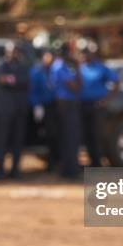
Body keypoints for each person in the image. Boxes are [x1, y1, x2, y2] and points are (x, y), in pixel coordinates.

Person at [78, 47, 119, 167]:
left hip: (97, 106)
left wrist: (106, 100)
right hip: (82, 106)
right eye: (83, 54)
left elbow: (116, 82)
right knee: (85, 135)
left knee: (96, 134)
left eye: (87, 54)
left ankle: (98, 162)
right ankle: (90, 161)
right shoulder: (80, 67)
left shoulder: (100, 67)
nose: (85, 56)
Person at [0, 41, 30, 179]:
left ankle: (15, 170)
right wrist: (14, 80)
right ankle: (0, 171)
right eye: (10, 51)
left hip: (19, 109)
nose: (12, 53)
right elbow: (1, 79)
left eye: (15, 51)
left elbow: (25, 81)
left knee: (17, 141)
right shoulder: (0, 63)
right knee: (2, 140)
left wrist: (11, 80)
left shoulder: (23, 66)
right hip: (5, 109)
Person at [50, 44, 82, 179]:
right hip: (65, 104)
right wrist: (78, 66)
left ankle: (70, 168)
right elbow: (75, 86)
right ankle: (68, 170)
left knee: (70, 137)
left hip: (67, 104)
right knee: (69, 138)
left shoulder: (64, 65)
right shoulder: (59, 66)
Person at [28, 49, 58, 172]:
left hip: (55, 106)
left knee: (56, 134)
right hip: (43, 106)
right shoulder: (37, 71)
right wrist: (37, 105)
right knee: (48, 134)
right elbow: (33, 90)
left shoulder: (54, 70)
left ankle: (55, 161)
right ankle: (50, 162)